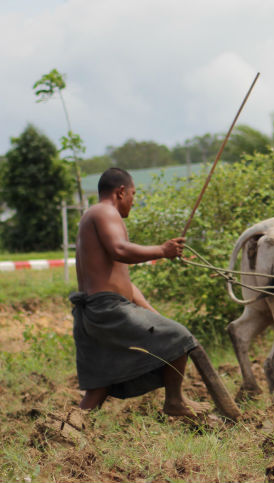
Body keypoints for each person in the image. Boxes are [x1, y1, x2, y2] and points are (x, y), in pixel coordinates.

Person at [70, 167, 208, 417]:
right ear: (121, 192)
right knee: (180, 337)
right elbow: (120, 250)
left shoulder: (100, 216)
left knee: (98, 388)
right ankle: (175, 402)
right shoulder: (104, 212)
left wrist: (153, 313)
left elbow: (124, 282)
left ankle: (67, 433)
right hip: (108, 308)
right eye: (133, 194)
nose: (133, 200)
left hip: (100, 308)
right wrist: (162, 250)